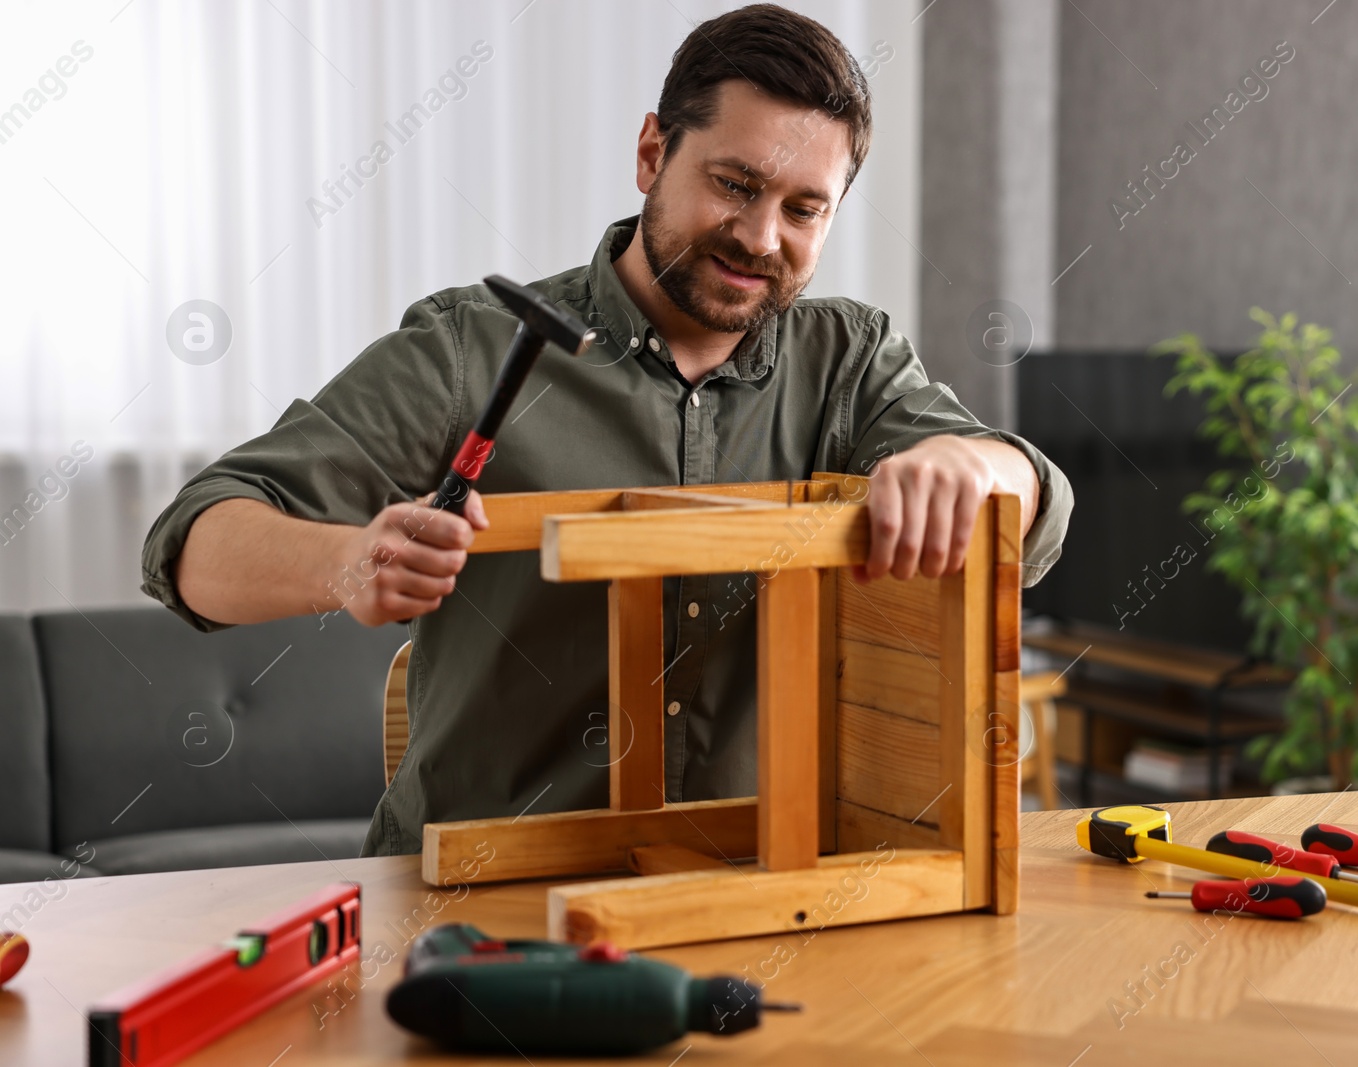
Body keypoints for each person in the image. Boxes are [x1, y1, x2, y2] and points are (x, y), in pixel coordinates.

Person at [141, 2, 1073, 857]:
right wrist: (347, 564)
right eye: (735, 184)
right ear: (650, 153)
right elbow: (192, 545)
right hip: (478, 897)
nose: (759, 237)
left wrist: (973, 461)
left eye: (802, 208)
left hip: (755, 896)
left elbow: (1033, 500)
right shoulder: (471, 345)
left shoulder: (850, 359)